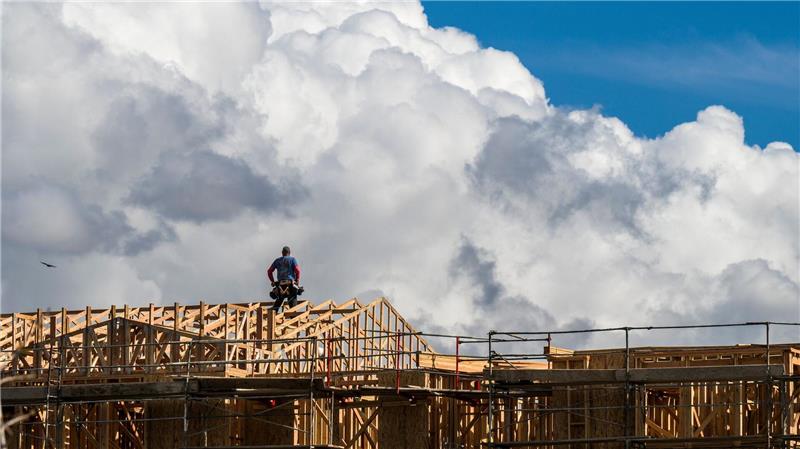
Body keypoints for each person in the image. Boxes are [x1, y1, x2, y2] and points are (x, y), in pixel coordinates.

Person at [267, 246, 302, 311]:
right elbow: (298, 270)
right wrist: (297, 280)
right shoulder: (292, 259)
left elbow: (269, 271)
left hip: (280, 285)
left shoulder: (277, 261)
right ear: (289, 253)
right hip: (290, 284)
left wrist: (272, 281)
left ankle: (272, 313)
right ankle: (293, 316)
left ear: (282, 253)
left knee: (278, 301)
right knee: (293, 308)